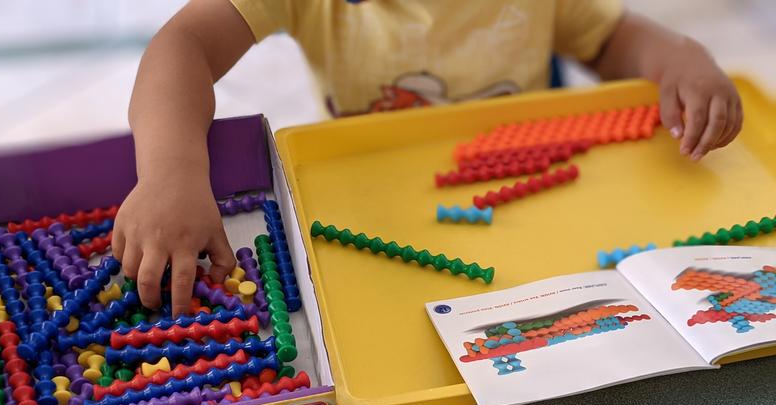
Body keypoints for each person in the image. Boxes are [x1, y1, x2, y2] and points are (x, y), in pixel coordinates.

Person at [113, 0, 743, 316]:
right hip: (386, 220)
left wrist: (676, 58)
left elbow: (612, 39)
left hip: (542, 222)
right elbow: (184, 44)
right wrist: (171, 172)